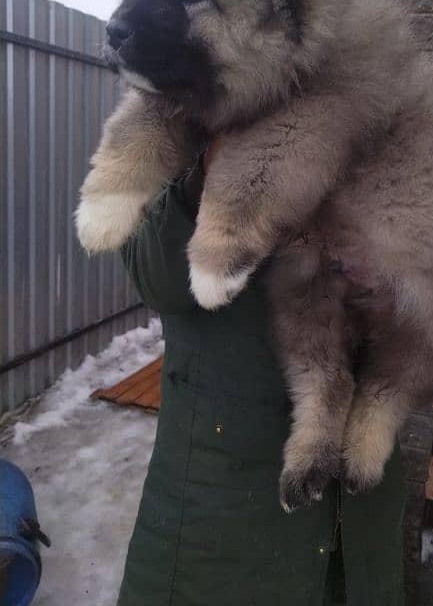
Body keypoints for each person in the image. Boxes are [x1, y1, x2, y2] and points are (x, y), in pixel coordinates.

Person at [116, 143, 407, 606]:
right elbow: (158, 279)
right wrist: (208, 168)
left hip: (359, 495)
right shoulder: (182, 107)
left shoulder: (386, 109)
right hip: (229, 488)